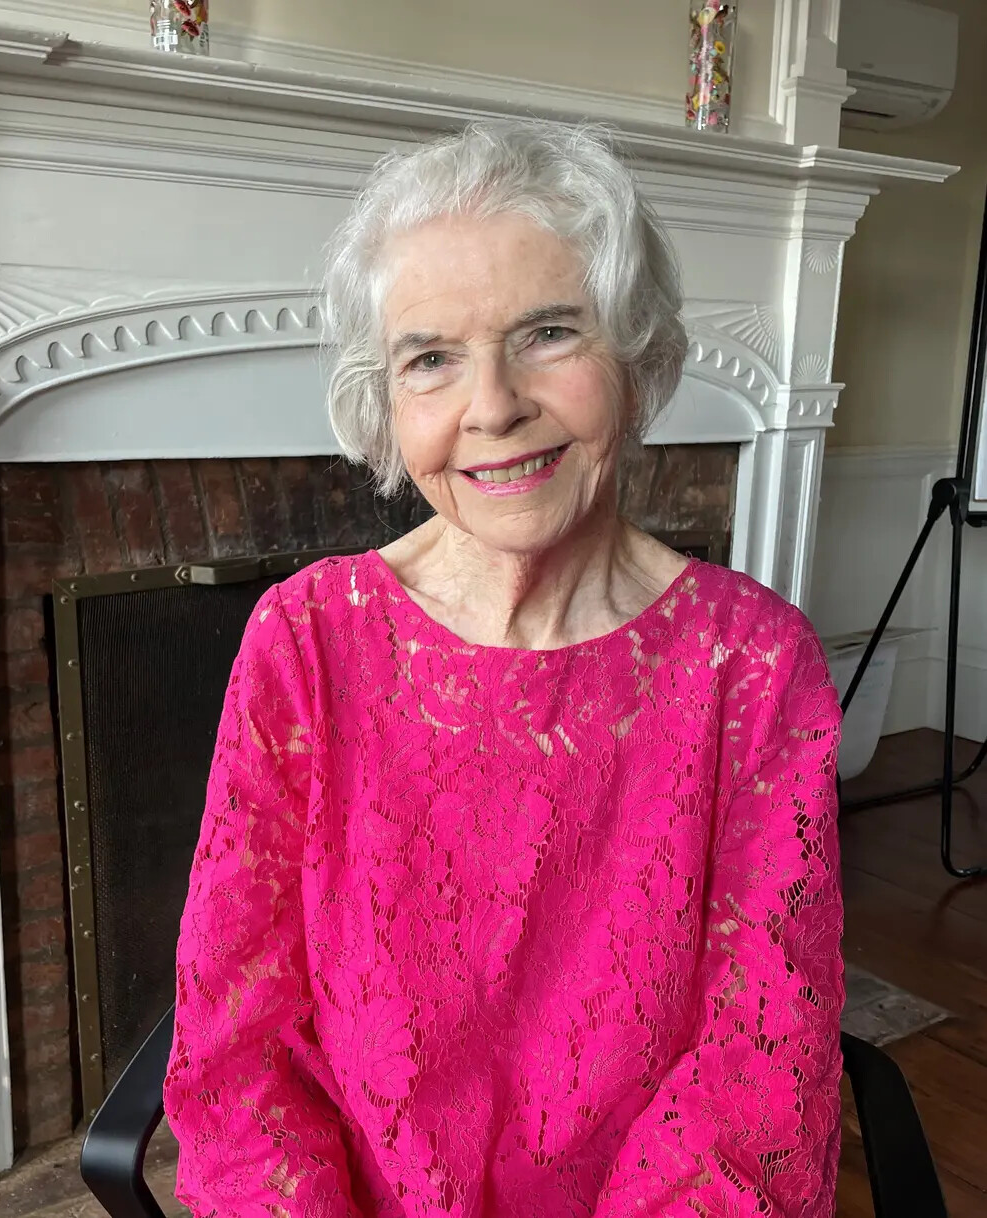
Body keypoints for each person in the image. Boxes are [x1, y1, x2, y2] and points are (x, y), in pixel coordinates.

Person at [163, 120, 844, 1217]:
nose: (490, 406)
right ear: (387, 403)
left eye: (546, 334)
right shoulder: (304, 644)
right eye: (430, 358)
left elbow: (755, 1078)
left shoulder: (750, 666)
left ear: (633, 358)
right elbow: (237, 1049)